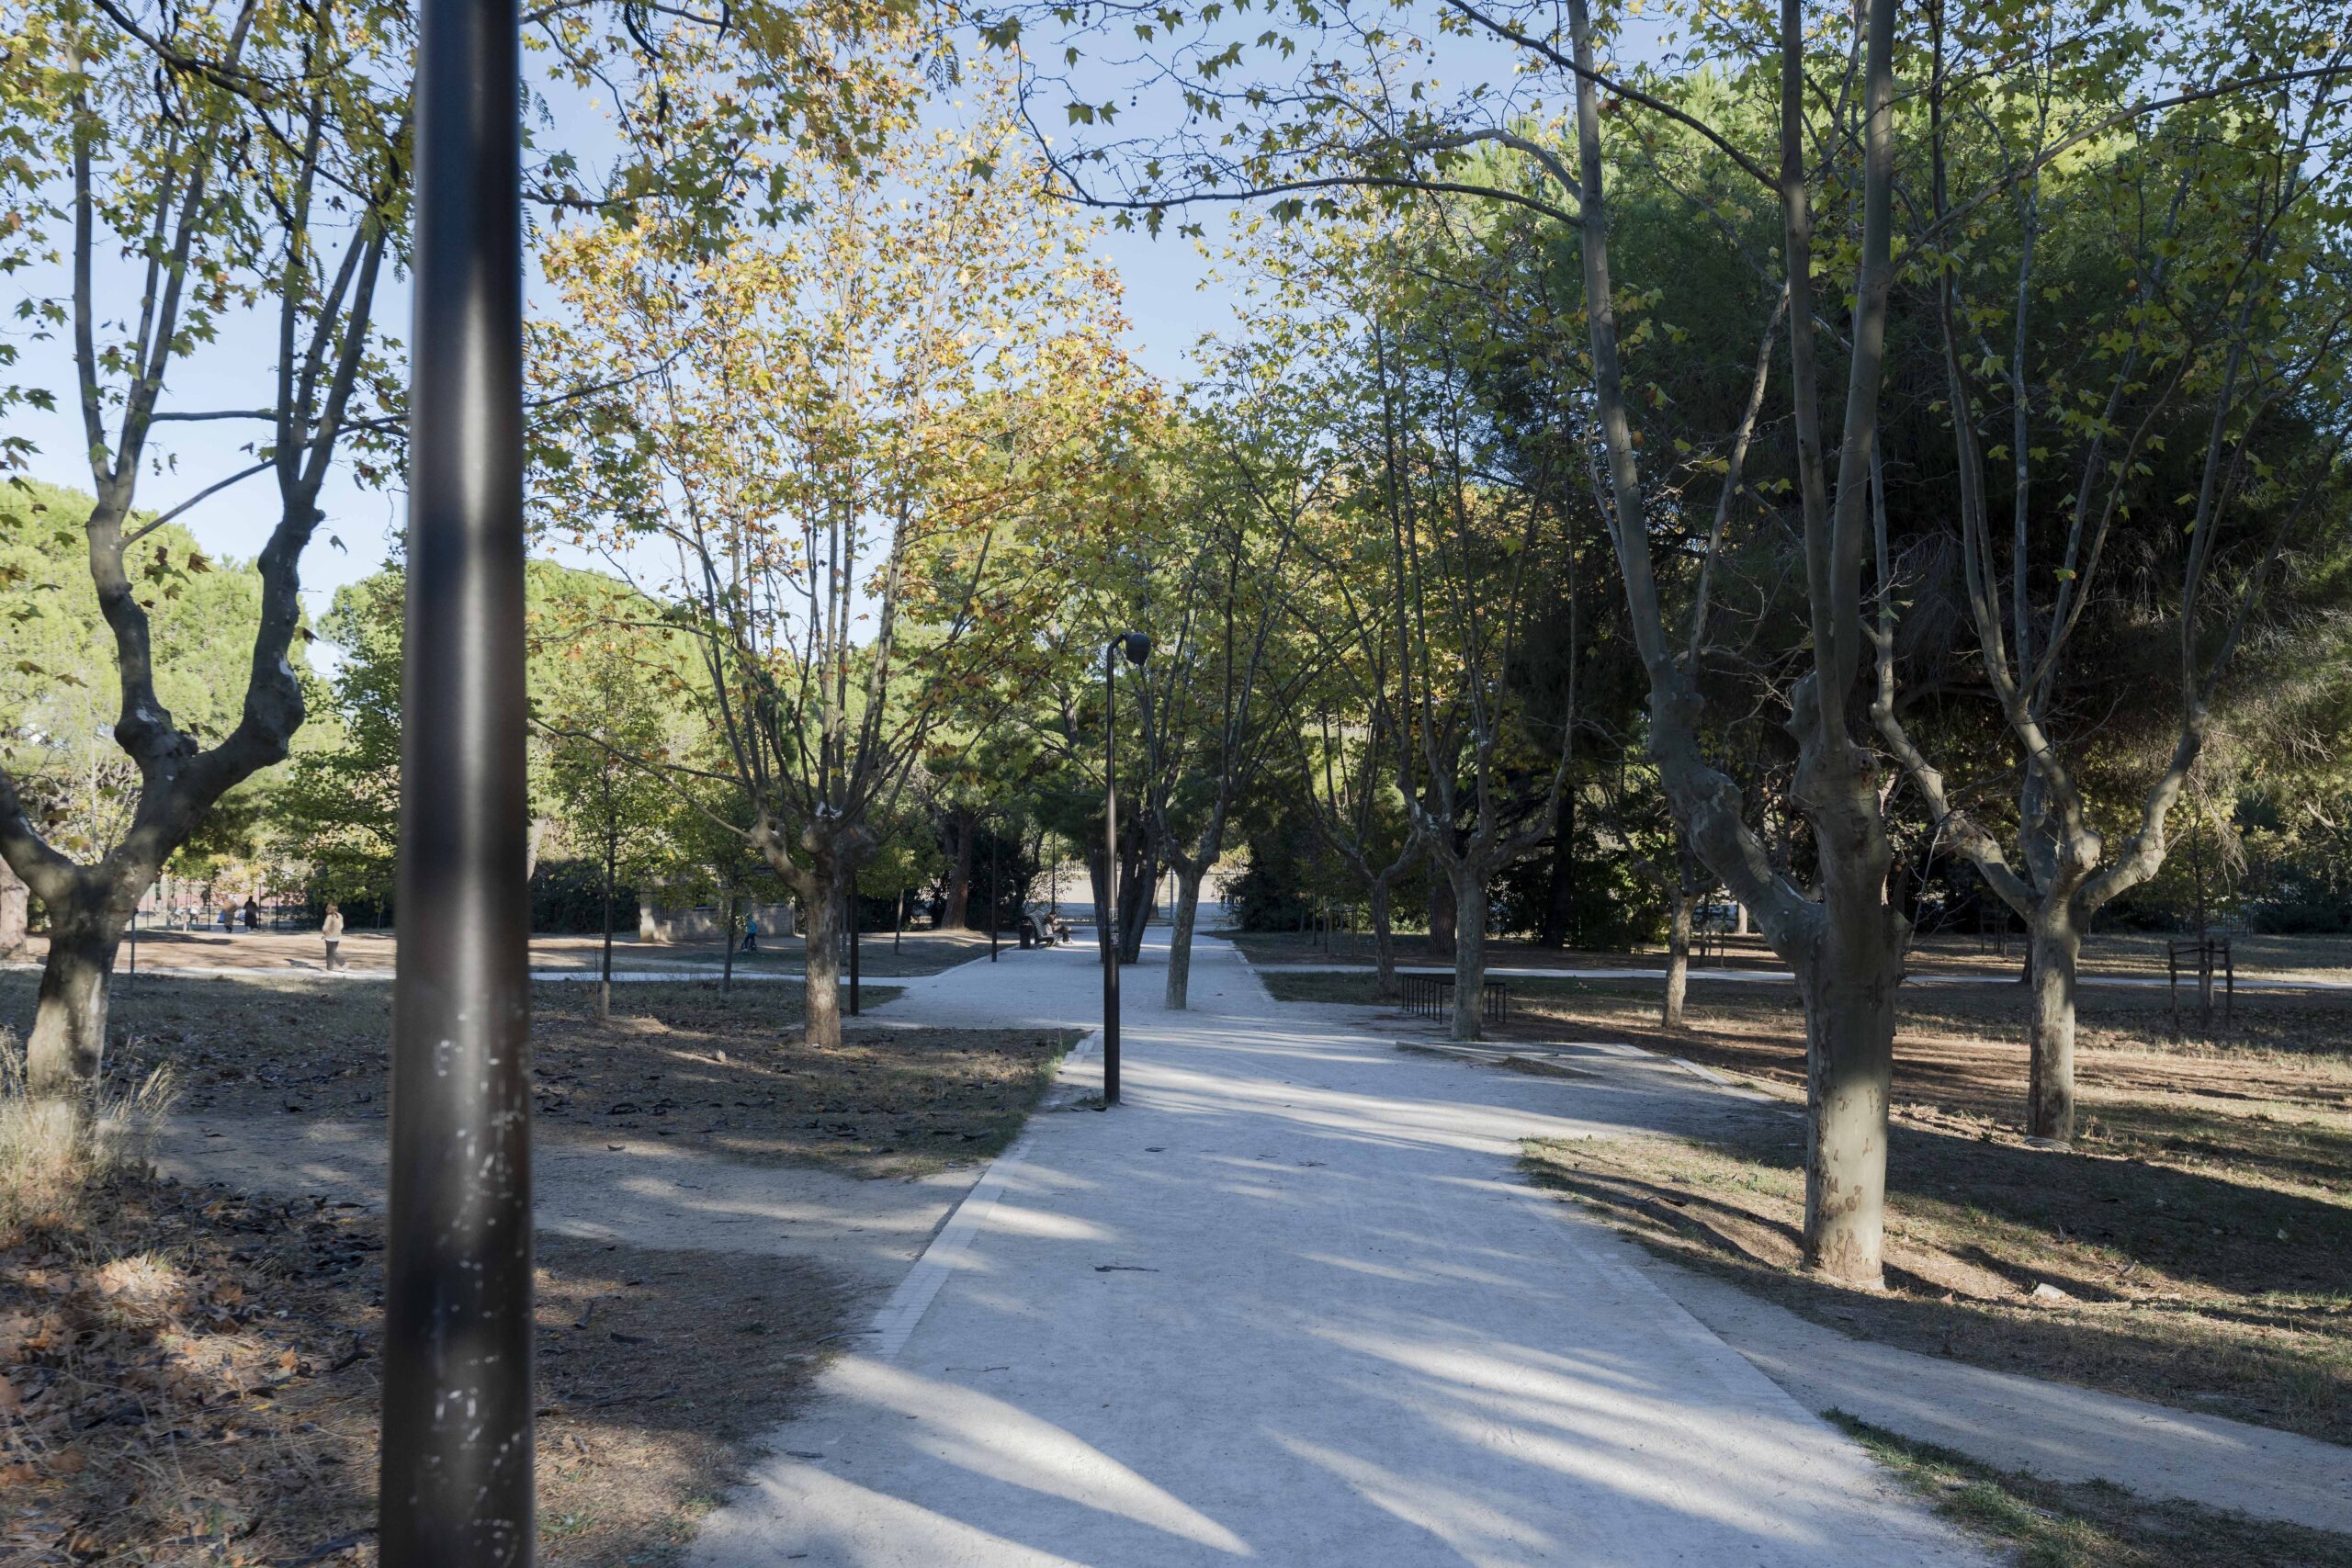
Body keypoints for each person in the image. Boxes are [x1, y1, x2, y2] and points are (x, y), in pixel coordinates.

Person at [322, 903, 345, 972]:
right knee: (332, 952)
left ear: (329, 909)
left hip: (329, 937)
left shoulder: (329, 916)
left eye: (326, 908)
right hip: (337, 936)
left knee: (331, 953)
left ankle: (343, 964)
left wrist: (324, 934)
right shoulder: (340, 915)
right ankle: (329, 969)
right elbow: (341, 926)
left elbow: (325, 927)